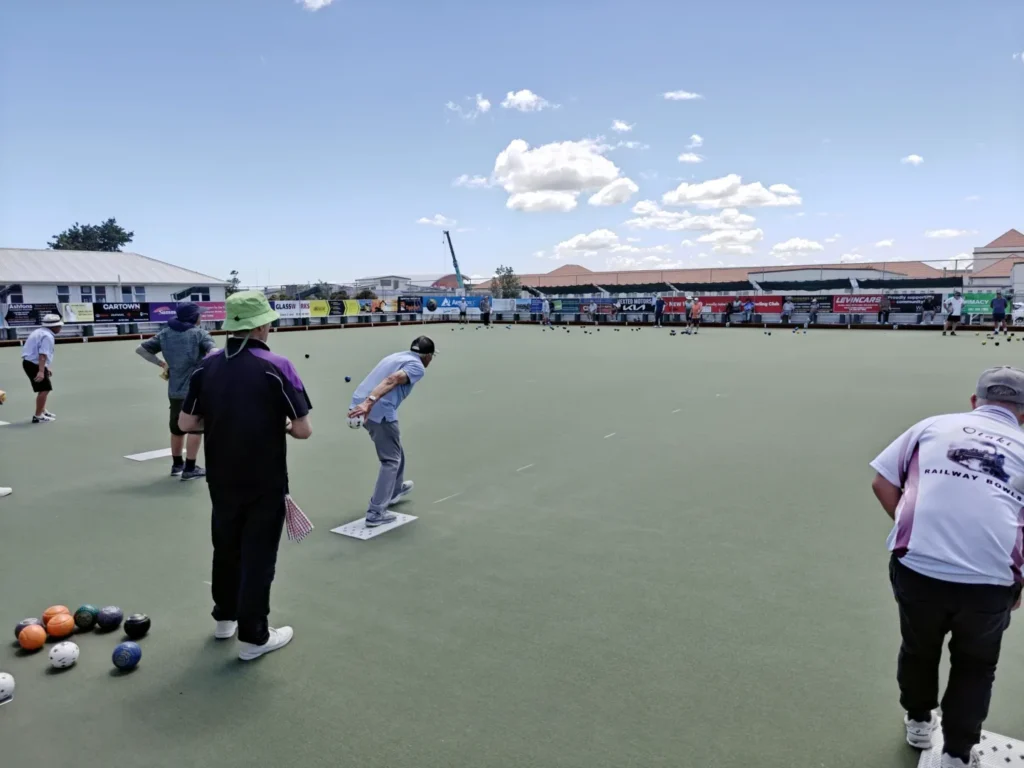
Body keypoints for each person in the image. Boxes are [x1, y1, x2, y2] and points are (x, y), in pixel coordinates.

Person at [870, 366, 1024, 768]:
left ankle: (919, 721)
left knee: (918, 647)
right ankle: (956, 756)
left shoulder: (932, 425)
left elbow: (882, 483)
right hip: (989, 581)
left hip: (917, 567)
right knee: (976, 665)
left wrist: (919, 532)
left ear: (975, 401)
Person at [178, 291, 312, 661]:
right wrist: (281, 426)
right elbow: (303, 430)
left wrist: (221, 422)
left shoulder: (206, 366)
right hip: (265, 478)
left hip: (221, 477)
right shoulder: (277, 365)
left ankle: (225, 619)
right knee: (258, 556)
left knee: (225, 547)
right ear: (261, 326)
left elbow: (186, 423)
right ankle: (254, 637)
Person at [347, 337, 435, 527]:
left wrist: (363, 403)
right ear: (428, 356)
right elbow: (392, 379)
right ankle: (375, 512)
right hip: (377, 411)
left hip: (358, 405)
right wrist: (369, 403)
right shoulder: (417, 366)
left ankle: (394, 490)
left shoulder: (397, 356)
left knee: (395, 449)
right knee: (390, 461)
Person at [136, 303, 216, 480]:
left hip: (174, 390)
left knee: (177, 428)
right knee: (195, 429)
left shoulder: (165, 333)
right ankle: (190, 468)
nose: (201, 317)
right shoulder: (200, 334)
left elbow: (141, 349)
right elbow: (213, 351)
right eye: (199, 315)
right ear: (194, 317)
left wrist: (161, 363)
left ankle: (177, 464)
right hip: (196, 390)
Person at [21, 313, 63, 423]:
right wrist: (41, 371)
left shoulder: (39, 331)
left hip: (30, 362)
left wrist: (45, 367)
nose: (60, 328)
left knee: (43, 388)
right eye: (59, 326)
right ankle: (38, 416)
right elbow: (42, 355)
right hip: (34, 364)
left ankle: (42, 410)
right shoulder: (47, 336)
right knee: (44, 389)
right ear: (53, 326)